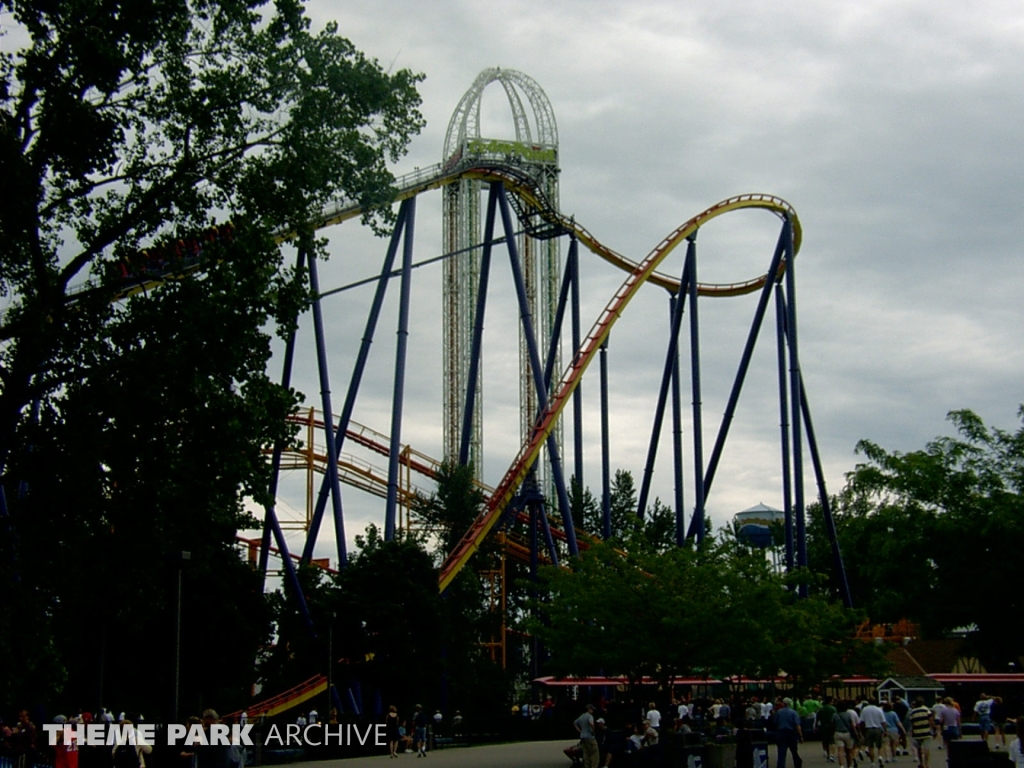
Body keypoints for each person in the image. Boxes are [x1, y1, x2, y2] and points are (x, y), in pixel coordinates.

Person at [775, 698, 804, 768]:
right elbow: (797, 725)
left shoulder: (779, 712)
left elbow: (775, 723)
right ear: (789, 704)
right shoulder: (793, 712)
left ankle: (781, 766)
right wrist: (800, 736)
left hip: (781, 733)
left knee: (781, 752)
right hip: (791, 734)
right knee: (794, 751)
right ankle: (797, 764)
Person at [906, 697, 933, 768]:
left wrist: (911, 732)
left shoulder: (913, 712)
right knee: (926, 748)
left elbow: (911, 722)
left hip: (917, 732)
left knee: (919, 749)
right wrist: (933, 728)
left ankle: (921, 763)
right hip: (926, 731)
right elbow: (930, 719)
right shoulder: (926, 709)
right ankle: (926, 764)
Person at [859, 699, 886, 768]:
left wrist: (861, 731)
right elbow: (883, 721)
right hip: (878, 728)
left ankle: (872, 762)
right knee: (879, 745)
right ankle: (880, 757)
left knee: (870, 747)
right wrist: (885, 730)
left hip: (868, 729)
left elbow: (861, 722)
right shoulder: (879, 710)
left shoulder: (865, 709)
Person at [818, 696, 838, 763]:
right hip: (831, 727)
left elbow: (818, 718)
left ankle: (828, 754)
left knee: (826, 741)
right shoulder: (833, 709)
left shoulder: (821, 709)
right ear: (830, 701)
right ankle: (832, 755)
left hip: (823, 727)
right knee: (832, 741)